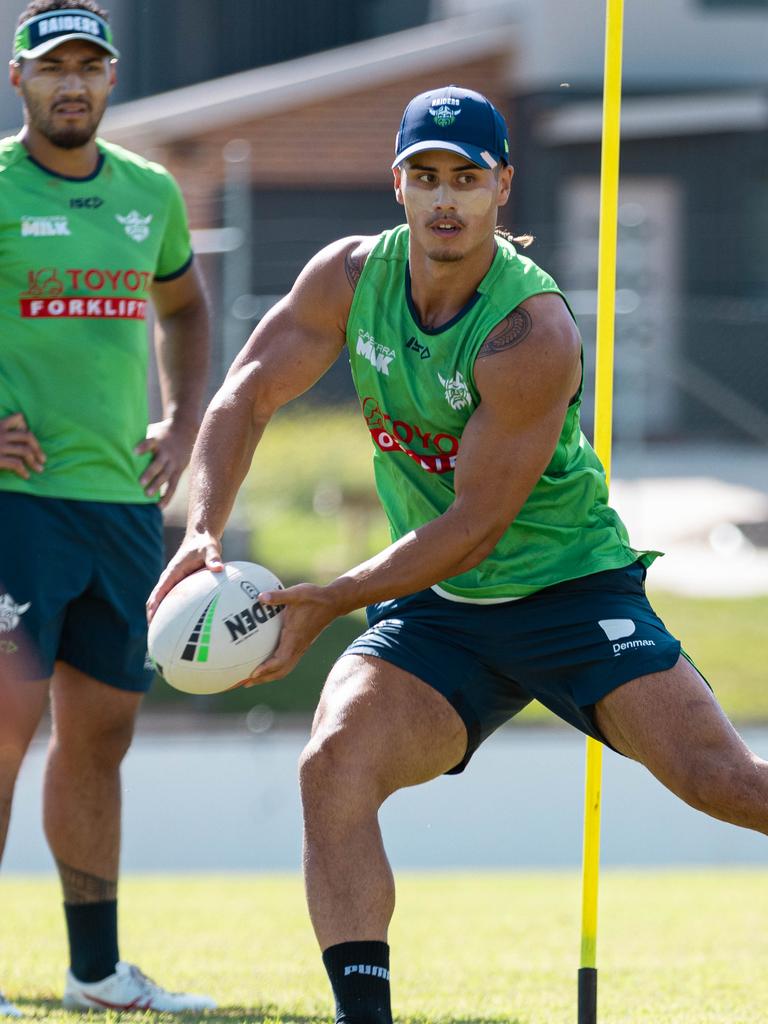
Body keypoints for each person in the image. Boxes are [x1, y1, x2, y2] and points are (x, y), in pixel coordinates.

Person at [150, 85, 768, 1024]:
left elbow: (475, 524)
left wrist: (330, 597)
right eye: (426, 176)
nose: (446, 199)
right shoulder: (350, 280)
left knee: (721, 783)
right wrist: (202, 529)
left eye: (466, 178)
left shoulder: (531, 331)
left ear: (502, 188)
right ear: (397, 183)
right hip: (437, 612)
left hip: (566, 590)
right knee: (333, 768)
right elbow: (242, 398)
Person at [0, 0, 216, 1015]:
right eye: (52, 68)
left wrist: (181, 424)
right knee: (2, 728)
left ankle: (95, 972)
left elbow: (184, 307)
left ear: (113, 79)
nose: (71, 83)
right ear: (20, 83)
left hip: (120, 509)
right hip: (13, 505)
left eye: (88, 66)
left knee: (101, 739)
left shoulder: (150, 193)